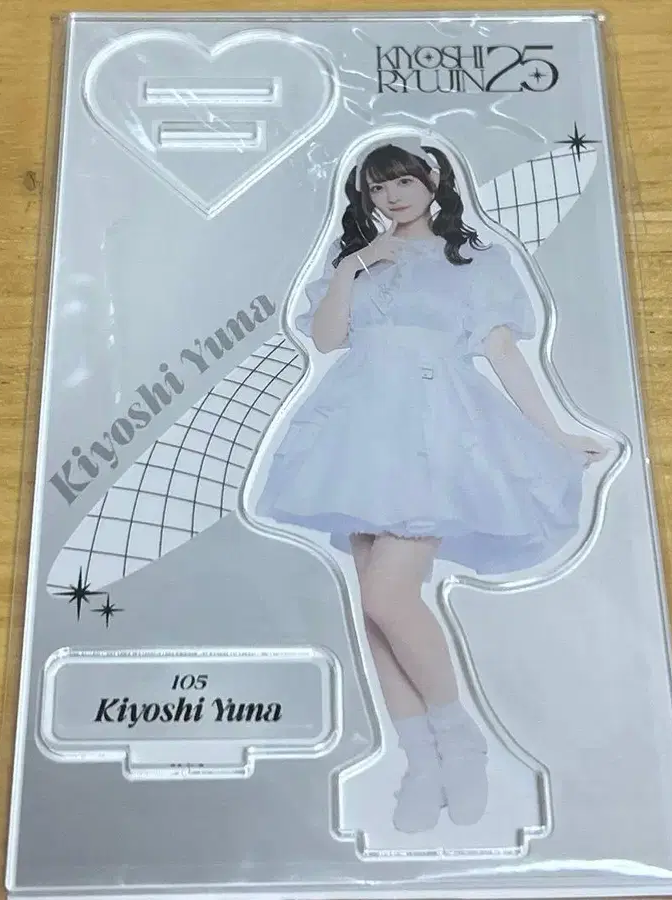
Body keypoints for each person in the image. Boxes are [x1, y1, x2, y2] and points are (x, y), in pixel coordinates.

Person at [255, 138, 606, 833]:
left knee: (388, 596)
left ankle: (460, 741)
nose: (392, 196)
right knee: (374, 608)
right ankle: (420, 762)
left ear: (433, 179)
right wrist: (353, 266)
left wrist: (558, 434)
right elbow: (326, 339)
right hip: (358, 426)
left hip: (433, 425)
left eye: (404, 181)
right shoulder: (359, 258)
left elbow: (502, 352)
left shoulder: (474, 259)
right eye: (378, 188)